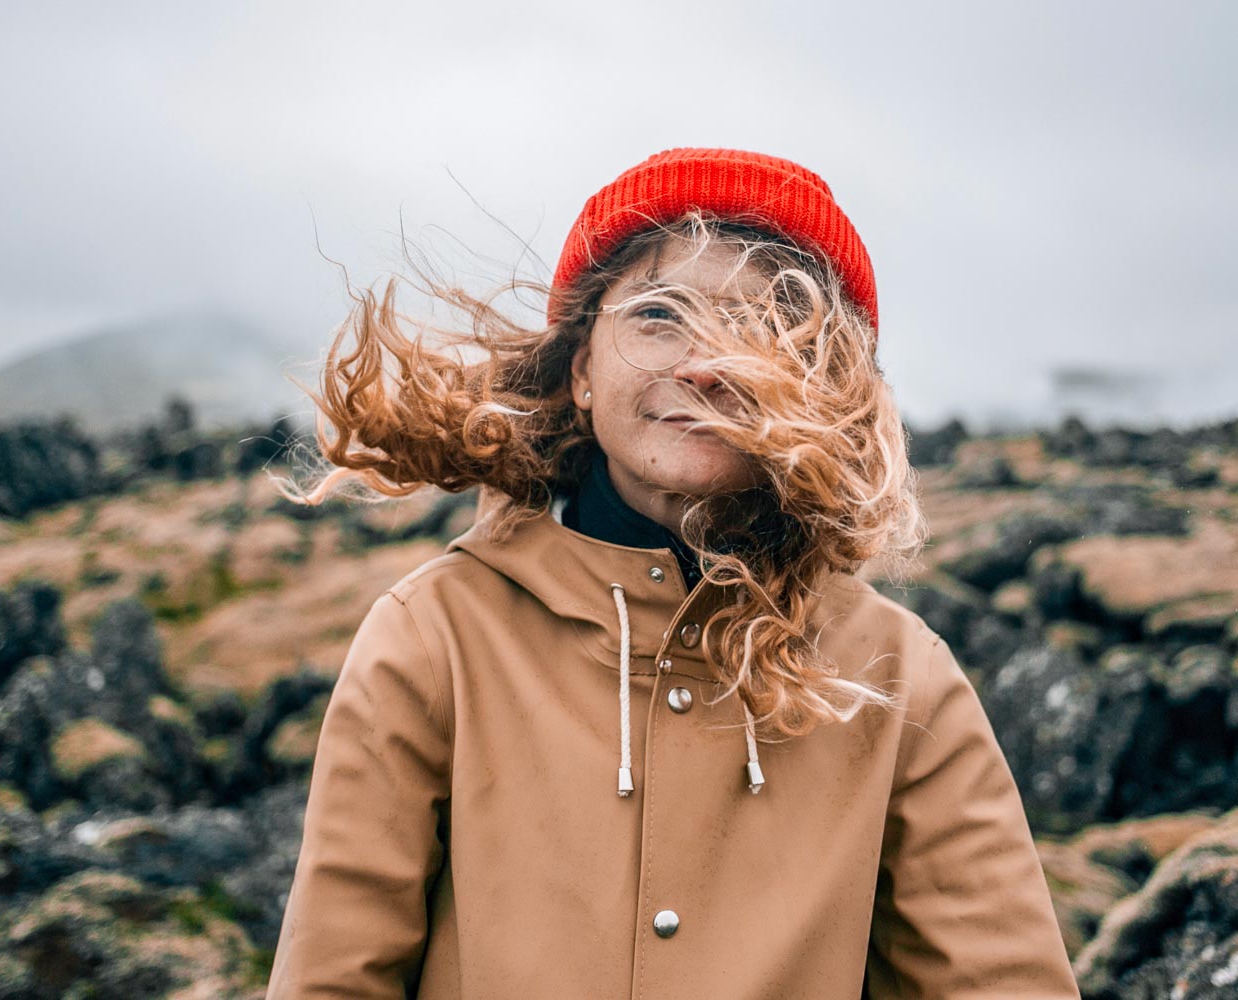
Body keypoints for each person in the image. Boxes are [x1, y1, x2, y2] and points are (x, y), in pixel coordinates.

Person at [265, 147, 1081, 999]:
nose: (705, 363)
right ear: (582, 369)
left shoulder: (897, 676)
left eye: (767, 324)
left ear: (826, 383)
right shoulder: (434, 640)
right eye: (660, 313)